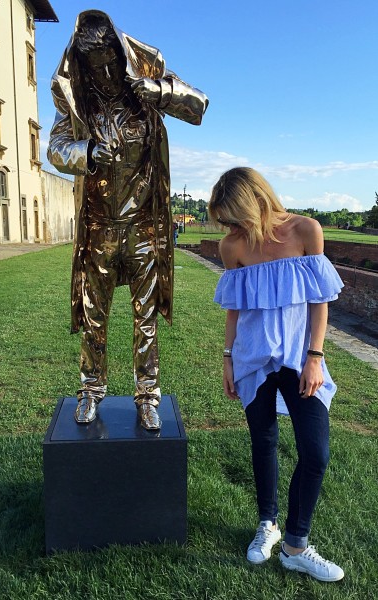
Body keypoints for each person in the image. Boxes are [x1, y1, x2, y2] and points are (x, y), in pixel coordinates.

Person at [47, 10, 208, 429]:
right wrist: (86, 153)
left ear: (122, 58)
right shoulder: (81, 109)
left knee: (146, 319)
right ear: (82, 67)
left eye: (109, 64)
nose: (104, 75)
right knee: (93, 317)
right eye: (94, 67)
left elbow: (198, 105)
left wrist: (158, 89)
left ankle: (147, 395)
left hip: (142, 230)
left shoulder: (144, 101)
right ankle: (90, 390)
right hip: (99, 231)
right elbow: (55, 148)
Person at [209, 167, 345, 582]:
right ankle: (268, 524)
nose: (231, 227)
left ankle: (296, 545)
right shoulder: (231, 247)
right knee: (263, 441)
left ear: (255, 200)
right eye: (226, 221)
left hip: (299, 357)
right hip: (253, 359)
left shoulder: (306, 231)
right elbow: (236, 306)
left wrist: (315, 357)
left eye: (234, 216)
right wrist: (229, 358)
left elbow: (319, 301)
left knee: (315, 452)